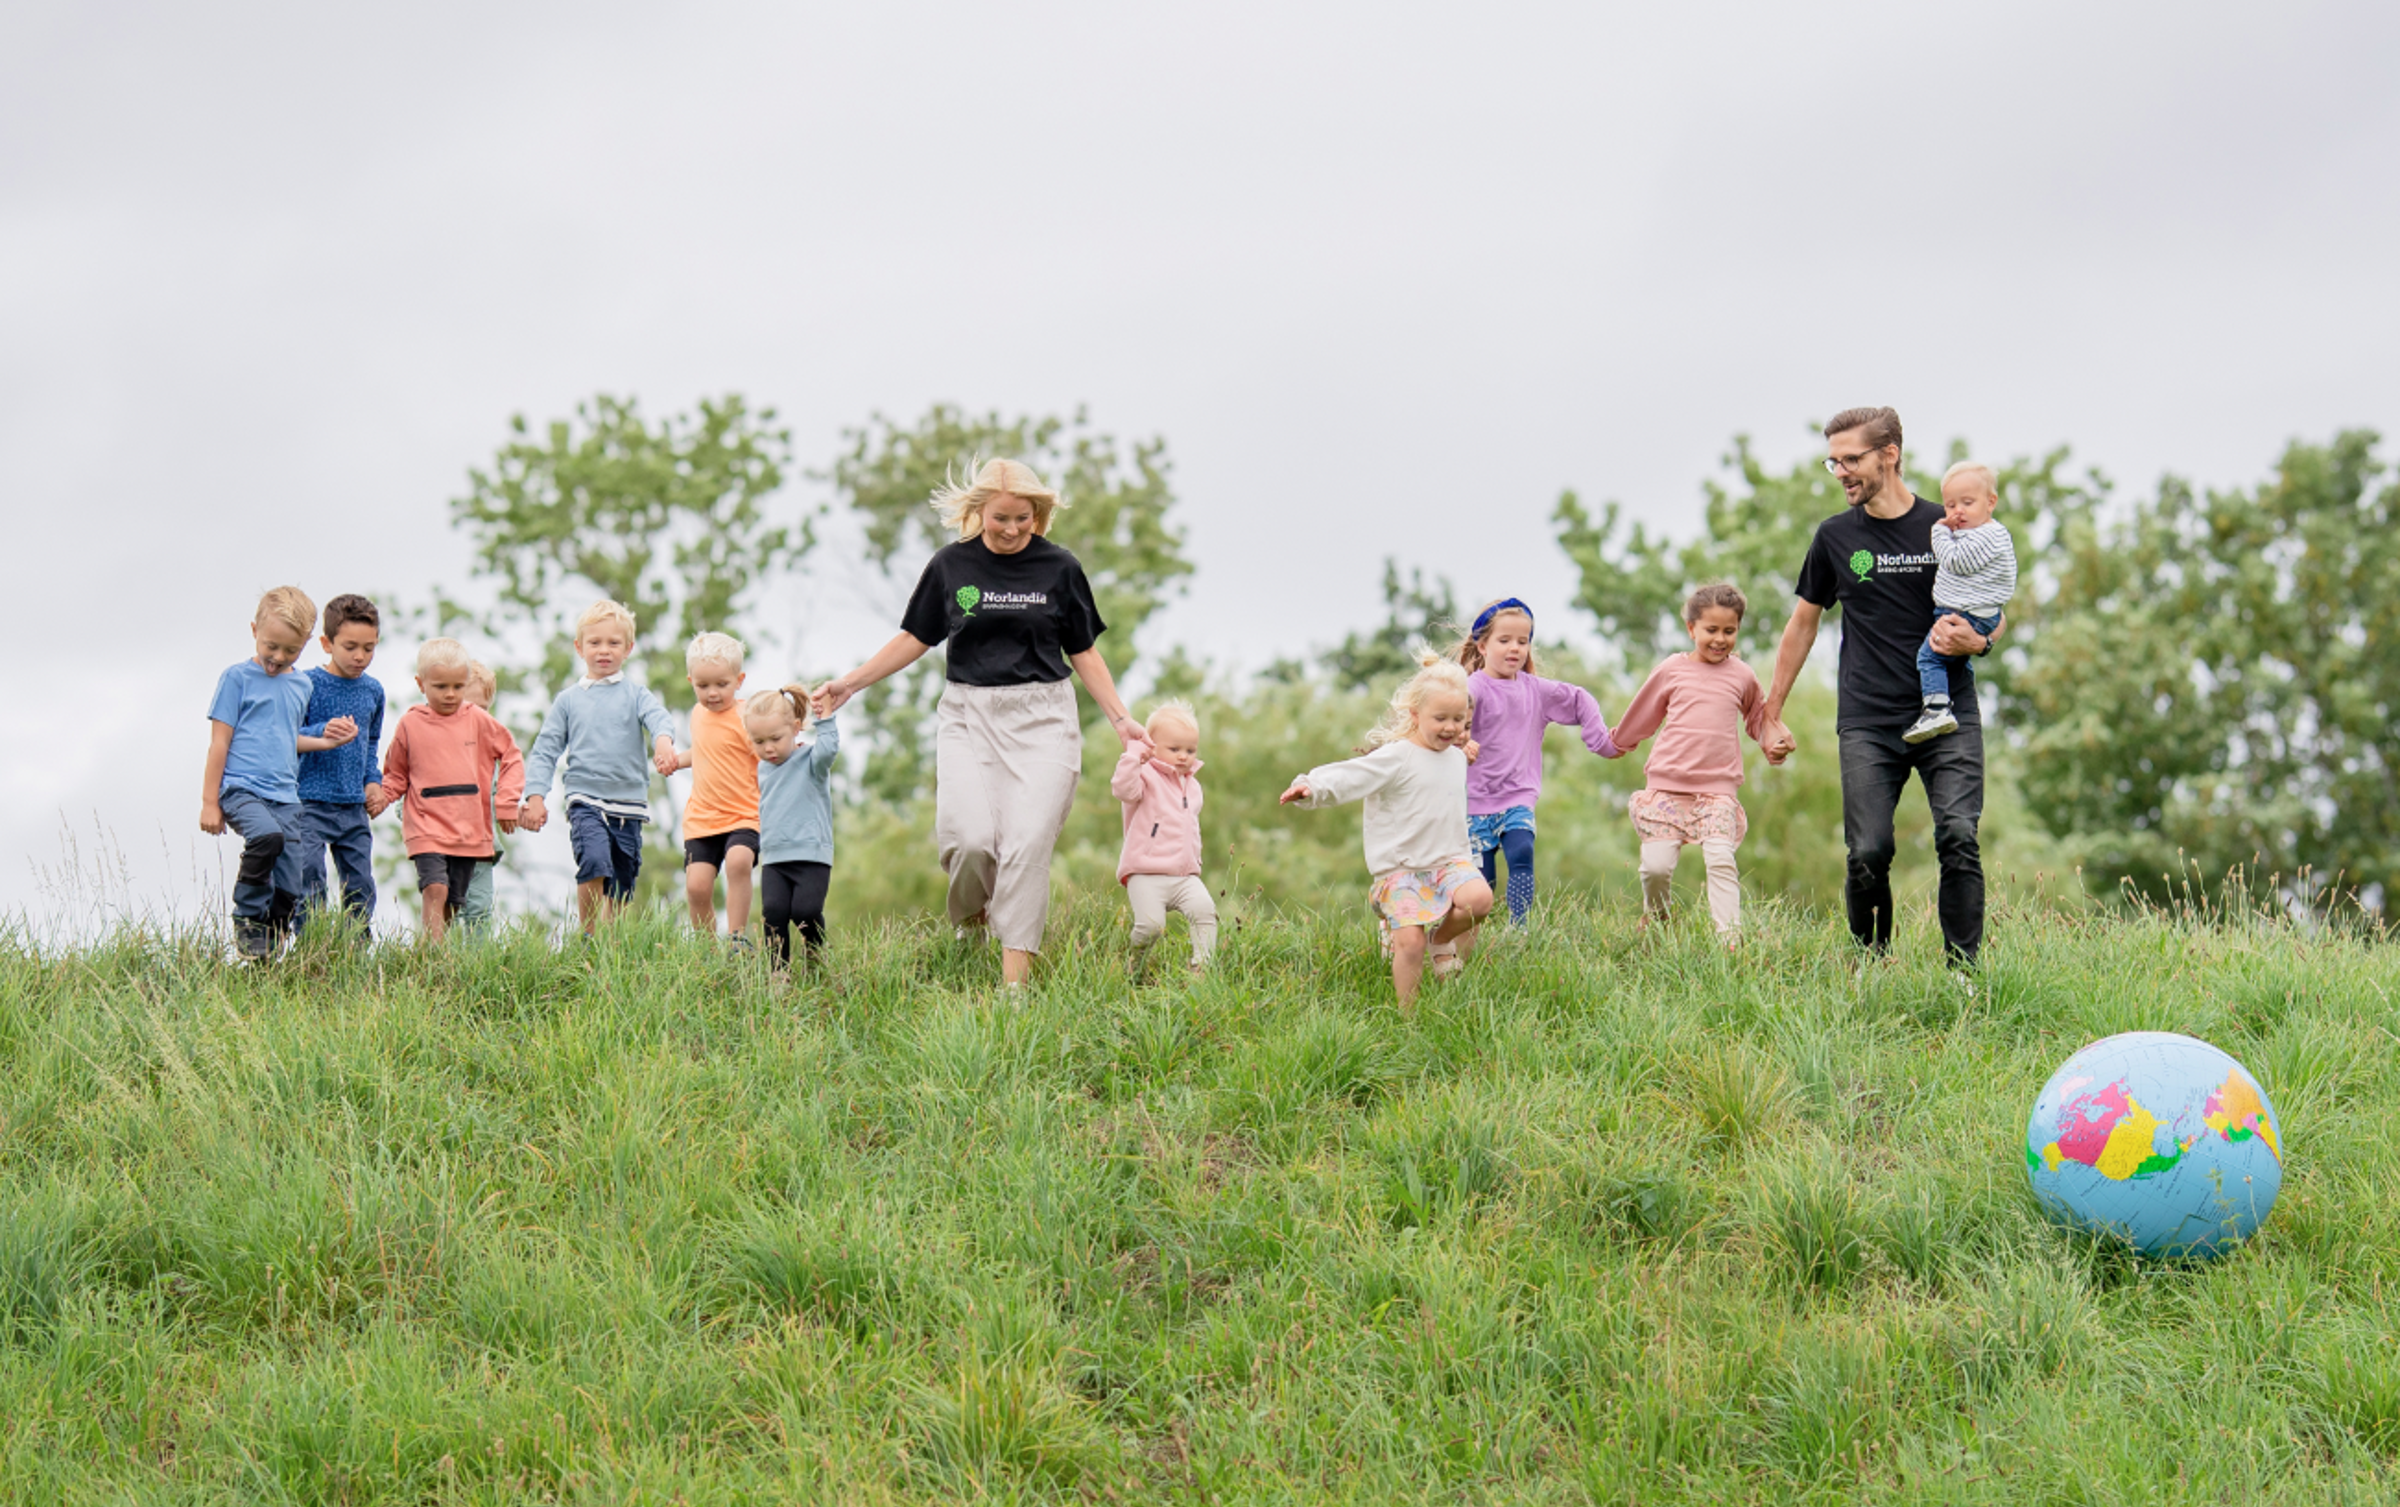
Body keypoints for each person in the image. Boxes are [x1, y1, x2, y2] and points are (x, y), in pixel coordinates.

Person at [813, 457, 1144, 989]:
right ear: (978, 513)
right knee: (969, 841)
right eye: (1001, 519)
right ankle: (971, 926)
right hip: (969, 714)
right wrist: (850, 683)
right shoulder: (951, 566)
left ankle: (1014, 991)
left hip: (1044, 718)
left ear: (1038, 513)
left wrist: (1121, 719)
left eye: (1024, 519)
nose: (1013, 529)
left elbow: (1083, 650)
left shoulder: (1060, 568)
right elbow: (915, 638)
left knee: (1026, 844)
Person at [1760, 406, 2000, 966]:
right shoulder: (1835, 537)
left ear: (1889, 455)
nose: (1841, 471)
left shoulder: (1949, 525)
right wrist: (1771, 711)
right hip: (1868, 720)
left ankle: (1963, 973)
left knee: (1958, 836)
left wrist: (1981, 641)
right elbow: (1803, 622)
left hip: (1947, 713)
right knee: (1868, 851)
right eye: (1834, 461)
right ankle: (1872, 968)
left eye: (1852, 459)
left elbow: (1994, 606)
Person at [1279, 653, 1493, 1010]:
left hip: (1448, 862)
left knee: (1480, 899)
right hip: (1402, 869)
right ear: (1415, 715)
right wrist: (1311, 787)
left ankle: (1440, 941)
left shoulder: (1456, 755)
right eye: (1440, 719)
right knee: (1409, 943)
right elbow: (1352, 774)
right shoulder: (1398, 756)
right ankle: (1407, 1017)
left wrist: (1464, 748)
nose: (1450, 728)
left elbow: (1453, 760)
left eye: (1459, 720)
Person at [1611, 584, 1775, 942]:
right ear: (1691, 629)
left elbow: (1758, 719)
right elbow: (1644, 712)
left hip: (1717, 791)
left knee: (1720, 859)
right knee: (1655, 868)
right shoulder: (1673, 669)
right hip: (1666, 787)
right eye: (1711, 630)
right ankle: (1658, 918)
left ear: (1738, 630)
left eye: (1729, 631)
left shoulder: (1742, 675)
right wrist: (1617, 742)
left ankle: (1730, 940)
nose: (1720, 639)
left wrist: (1774, 740)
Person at [1451, 597, 1620, 926]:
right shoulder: (1473, 688)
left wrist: (1600, 740)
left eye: (1523, 641)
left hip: (1518, 796)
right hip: (1473, 802)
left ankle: (1520, 929)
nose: (1515, 648)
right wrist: (1462, 742)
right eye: (1505, 641)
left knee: (1522, 852)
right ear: (1482, 646)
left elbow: (1580, 699)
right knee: (1482, 888)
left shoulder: (1536, 691)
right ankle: (1473, 939)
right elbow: (1448, 722)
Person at [518, 600, 680, 935]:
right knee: (594, 861)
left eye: (613, 643)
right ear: (579, 647)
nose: (603, 651)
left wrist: (663, 741)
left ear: (628, 648)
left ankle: (613, 944)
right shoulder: (568, 700)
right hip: (585, 798)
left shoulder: (636, 694)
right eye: (595, 643)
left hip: (629, 804)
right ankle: (588, 936)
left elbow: (659, 718)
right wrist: (535, 795)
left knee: (622, 879)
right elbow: (546, 749)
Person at [201, 586, 345, 958]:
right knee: (267, 838)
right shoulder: (237, 679)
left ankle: (272, 938)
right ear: (254, 630)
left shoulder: (301, 684)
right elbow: (220, 742)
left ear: (307, 644)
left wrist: (324, 743)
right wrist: (209, 802)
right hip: (241, 788)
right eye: (271, 646)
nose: (278, 657)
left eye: (290, 650)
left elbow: (284, 738)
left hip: (285, 795)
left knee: (293, 875)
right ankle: (247, 918)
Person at [381, 638, 524, 943]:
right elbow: (396, 772)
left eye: (458, 687)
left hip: (468, 829)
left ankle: (431, 952)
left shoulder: (479, 721)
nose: (450, 695)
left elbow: (512, 755)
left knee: (454, 902)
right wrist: (383, 796)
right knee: (435, 887)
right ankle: (435, 953)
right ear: (421, 684)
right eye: (441, 686)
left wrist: (508, 803)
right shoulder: (410, 725)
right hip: (427, 825)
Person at [292, 593, 388, 935]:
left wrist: (373, 781)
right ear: (326, 643)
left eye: (369, 647)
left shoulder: (373, 691)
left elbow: (370, 744)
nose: (360, 656)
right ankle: (312, 946)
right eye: (350, 647)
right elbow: (287, 735)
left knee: (360, 884)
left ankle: (355, 951)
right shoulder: (306, 684)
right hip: (309, 802)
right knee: (308, 875)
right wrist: (322, 730)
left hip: (352, 808)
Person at [1907, 461, 2018, 744]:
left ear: (1991, 502)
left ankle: (1937, 708)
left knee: (1929, 656)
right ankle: (1940, 705)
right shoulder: (1984, 533)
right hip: (1976, 612)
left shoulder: (1986, 536)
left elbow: (1956, 561)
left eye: (1967, 502)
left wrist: (1939, 531)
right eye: (1950, 505)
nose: (1958, 512)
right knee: (1948, 660)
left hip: (1969, 615)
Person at [1111, 700, 1215, 977]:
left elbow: (1191, 828)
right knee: (1150, 926)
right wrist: (1133, 757)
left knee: (1205, 911)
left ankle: (1202, 969)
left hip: (1184, 875)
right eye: (1174, 749)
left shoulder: (1192, 786)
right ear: (1152, 746)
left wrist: (1196, 860)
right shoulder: (1143, 775)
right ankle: (1133, 967)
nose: (1183, 756)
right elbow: (1122, 790)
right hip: (1146, 872)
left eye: (1190, 750)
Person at [672, 631, 761, 946]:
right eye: (702, 685)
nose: (712, 693)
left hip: (744, 813)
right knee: (697, 887)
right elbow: (705, 751)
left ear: (739, 680)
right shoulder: (697, 715)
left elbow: (766, 752)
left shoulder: (748, 716)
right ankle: (706, 952)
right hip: (703, 817)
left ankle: (737, 939)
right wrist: (676, 760)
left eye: (721, 685)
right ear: (690, 681)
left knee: (738, 861)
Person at [743, 684, 838, 971]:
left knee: (805, 912)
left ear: (796, 728)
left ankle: (815, 952)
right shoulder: (763, 768)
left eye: (775, 738)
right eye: (758, 741)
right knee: (773, 915)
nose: (768, 748)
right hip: (774, 858)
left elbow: (829, 748)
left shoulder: (811, 761)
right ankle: (778, 976)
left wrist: (826, 718)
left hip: (810, 854)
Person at [455, 661, 506, 934]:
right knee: (445, 909)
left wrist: (513, 809)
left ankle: (477, 965)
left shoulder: (491, 753)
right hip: (443, 845)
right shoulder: (432, 747)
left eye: (483, 710)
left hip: (482, 846)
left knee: (480, 909)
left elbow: (499, 793)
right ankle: (440, 964)